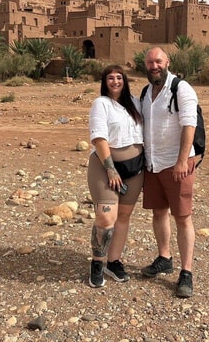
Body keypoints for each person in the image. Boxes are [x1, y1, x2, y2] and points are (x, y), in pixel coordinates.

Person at [140, 47, 199, 298]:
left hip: (177, 164)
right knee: (158, 212)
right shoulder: (145, 92)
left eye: (158, 61)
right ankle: (164, 258)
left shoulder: (180, 88)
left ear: (167, 62)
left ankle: (186, 272)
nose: (154, 66)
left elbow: (189, 124)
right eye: (150, 62)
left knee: (182, 217)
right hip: (153, 164)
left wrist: (182, 160)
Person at [87, 65, 144, 288]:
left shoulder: (136, 104)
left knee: (124, 216)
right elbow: (99, 137)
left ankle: (113, 261)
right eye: (110, 78)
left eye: (119, 77)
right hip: (106, 167)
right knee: (105, 217)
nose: (115, 81)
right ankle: (97, 262)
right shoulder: (101, 104)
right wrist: (110, 169)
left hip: (135, 168)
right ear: (105, 82)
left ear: (125, 80)